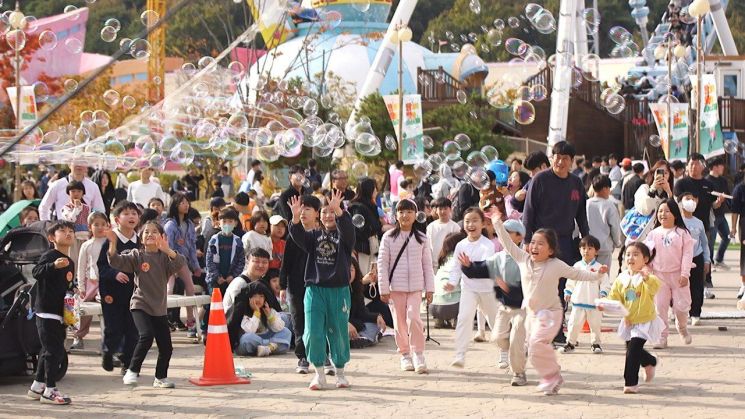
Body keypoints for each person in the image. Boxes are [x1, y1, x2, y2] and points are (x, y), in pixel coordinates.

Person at [486, 214, 607, 395]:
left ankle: (551, 377)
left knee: (535, 347)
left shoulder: (556, 264)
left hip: (550, 314)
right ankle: (536, 374)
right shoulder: (523, 259)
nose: (534, 246)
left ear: (551, 250)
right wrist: (496, 221)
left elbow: (578, 274)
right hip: (530, 314)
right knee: (528, 345)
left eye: (540, 243)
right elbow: (507, 242)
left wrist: (598, 275)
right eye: (533, 242)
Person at [522, 141, 589, 345]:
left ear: (572, 161)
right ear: (552, 158)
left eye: (565, 158)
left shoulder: (576, 183)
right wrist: (527, 240)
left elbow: (581, 214)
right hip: (541, 241)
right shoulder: (540, 179)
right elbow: (528, 211)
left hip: (565, 241)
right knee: (540, 286)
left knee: (560, 286)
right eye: (556, 157)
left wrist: (586, 239)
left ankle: (557, 330)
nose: (560, 161)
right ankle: (537, 328)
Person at [288, 189, 355, 390]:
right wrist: (294, 218)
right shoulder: (313, 236)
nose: (328, 215)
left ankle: (340, 372)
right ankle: (318, 373)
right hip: (315, 290)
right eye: (324, 212)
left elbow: (350, 233)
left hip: (339, 291)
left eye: (332, 212)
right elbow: (297, 235)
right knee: (313, 332)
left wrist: (340, 212)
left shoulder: (344, 236)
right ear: (319, 214)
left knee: (338, 332)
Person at [107, 221, 186, 388]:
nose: (150, 234)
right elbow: (116, 261)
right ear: (141, 238)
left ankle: (160, 378)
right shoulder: (137, 255)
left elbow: (180, 262)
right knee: (146, 335)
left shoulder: (165, 258)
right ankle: (132, 370)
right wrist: (113, 243)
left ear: (162, 237)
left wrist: (168, 250)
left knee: (166, 347)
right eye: (146, 232)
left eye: (154, 232)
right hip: (140, 304)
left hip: (159, 308)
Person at [461, 219, 528, 386]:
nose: (502, 236)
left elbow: (530, 285)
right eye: (501, 233)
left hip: (523, 308)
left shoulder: (526, 259)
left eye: (507, 233)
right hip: (504, 308)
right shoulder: (498, 258)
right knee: (497, 338)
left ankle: (519, 373)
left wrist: (510, 289)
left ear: (519, 237)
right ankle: (517, 351)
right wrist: (468, 266)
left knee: (516, 340)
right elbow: (481, 268)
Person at [377, 199, 434, 374]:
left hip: (416, 287)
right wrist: (383, 288)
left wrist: (430, 288)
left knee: (413, 318)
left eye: (409, 211)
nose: (405, 215)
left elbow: (427, 265)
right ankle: (405, 354)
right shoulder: (388, 237)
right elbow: (382, 264)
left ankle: (418, 353)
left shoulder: (422, 238)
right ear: (396, 215)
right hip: (395, 288)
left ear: (415, 215)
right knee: (399, 323)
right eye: (401, 212)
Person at [27, 221, 76, 405]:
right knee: (54, 351)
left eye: (71, 230)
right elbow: (36, 272)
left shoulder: (70, 262)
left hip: (60, 313)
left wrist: (74, 290)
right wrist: (53, 266)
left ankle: (37, 387)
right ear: (51, 237)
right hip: (46, 311)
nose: (68, 233)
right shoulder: (49, 256)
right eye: (62, 231)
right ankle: (50, 390)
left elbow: (67, 285)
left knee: (49, 350)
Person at [604, 242, 662, 394]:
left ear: (645, 259)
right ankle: (650, 361)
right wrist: (604, 304)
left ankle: (630, 383)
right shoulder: (621, 279)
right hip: (628, 321)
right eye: (628, 254)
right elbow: (614, 298)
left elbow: (655, 287)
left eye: (636, 254)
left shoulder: (647, 277)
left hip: (644, 320)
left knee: (633, 350)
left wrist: (646, 278)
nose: (631, 257)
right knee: (632, 349)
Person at [445, 207, 497, 367]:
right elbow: (455, 266)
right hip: (468, 288)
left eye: (475, 220)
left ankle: (505, 352)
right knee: (464, 318)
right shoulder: (461, 245)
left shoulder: (487, 245)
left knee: (495, 322)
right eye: (467, 221)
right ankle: (460, 354)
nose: (471, 224)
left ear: (483, 224)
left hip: (488, 289)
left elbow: (485, 267)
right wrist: (452, 282)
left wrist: (469, 266)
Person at [97, 201, 140, 375]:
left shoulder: (141, 240)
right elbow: (101, 266)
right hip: (112, 293)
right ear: (116, 219)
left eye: (134, 213)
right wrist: (114, 274)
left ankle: (128, 363)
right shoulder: (111, 240)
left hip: (135, 293)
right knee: (114, 328)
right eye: (126, 213)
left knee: (133, 329)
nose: (131, 216)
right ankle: (108, 351)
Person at [644, 199, 694, 349]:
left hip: (679, 276)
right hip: (659, 277)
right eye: (660, 211)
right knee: (660, 308)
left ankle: (682, 327)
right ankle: (662, 337)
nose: (662, 214)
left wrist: (685, 274)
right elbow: (647, 255)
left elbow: (687, 255)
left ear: (675, 214)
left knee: (681, 307)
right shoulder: (653, 234)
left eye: (666, 211)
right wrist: (646, 270)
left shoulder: (683, 233)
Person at [279, 195, 319, 374]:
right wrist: (282, 286)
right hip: (295, 286)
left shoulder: (321, 235)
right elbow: (285, 263)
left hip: (318, 285)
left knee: (318, 321)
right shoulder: (292, 237)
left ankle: (321, 354)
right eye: (300, 209)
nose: (303, 212)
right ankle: (302, 357)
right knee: (298, 321)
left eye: (308, 209)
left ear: (317, 213)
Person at [674, 154, 722, 299]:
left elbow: (713, 204)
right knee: (681, 258)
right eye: (691, 164)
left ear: (703, 166)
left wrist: (718, 203)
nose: (694, 166)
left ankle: (705, 284)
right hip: (683, 226)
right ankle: (681, 287)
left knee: (704, 257)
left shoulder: (708, 185)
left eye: (697, 164)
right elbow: (677, 201)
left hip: (703, 226)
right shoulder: (681, 184)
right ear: (687, 166)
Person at [560, 236, 611, 354]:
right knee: (574, 323)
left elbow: (605, 283)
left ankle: (596, 344)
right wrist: (568, 292)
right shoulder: (577, 266)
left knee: (595, 324)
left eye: (590, 248)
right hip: (578, 301)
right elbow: (571, 281)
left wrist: (603, 293)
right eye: (583, 248)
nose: (586, 251)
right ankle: (570, 343)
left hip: (594, 302)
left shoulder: (599, 268)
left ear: (596, 251)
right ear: (579, 250)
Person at [163, 193, 201, 337]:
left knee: (190, 287)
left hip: (182, 261)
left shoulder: (189, 224)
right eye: (182, 202)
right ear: (175, 205)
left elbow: (192, 247)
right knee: (169, 288)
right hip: (169, 262)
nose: (186, 205)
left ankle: (190, 319)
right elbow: (168, 248)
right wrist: (172, 266)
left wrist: (195, 266)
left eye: (187, 202)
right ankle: (163, 317)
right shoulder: (170, 225)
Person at [71, 212, 109, 351]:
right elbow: (81, 267)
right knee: (83, 312)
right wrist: (81, 286)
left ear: (108, 225)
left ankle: (108, 340)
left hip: (107, 283)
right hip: (90, 283)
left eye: (103, 224)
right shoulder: (86, 245)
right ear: (89, 227)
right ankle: (78, 336)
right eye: (96, 224)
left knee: (107, 310)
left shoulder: (111, 243)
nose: (100, 227)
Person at [229, 280, 292, 357]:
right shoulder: (243, 312)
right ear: (249, 298)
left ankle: (267, 348)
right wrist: (256, 313)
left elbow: (279, 328)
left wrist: (269, 315)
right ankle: (271, 347)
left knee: (286, 332)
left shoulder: (268, 309)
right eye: (254, 296)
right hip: (252, 340)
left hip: (266, 337)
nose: (258, 299)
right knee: (247, 339)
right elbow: (250, 331)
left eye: (261, 296)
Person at [679, 193, 709, 326]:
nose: (691, 201)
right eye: (687, 199)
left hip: (697, 257)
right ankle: (680, 312)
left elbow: (705, 243)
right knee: (680, 287)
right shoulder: (677, 221)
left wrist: (707, 260)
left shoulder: (699, 223)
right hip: (680, 259)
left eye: (693, 199)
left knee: (697, 287)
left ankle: (696, 313)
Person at [39, 161, 105, 221]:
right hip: (62, 229)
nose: (79, 165)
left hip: (85, 230)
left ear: (86, 165)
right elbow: (44, 207)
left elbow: (100, 210)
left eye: (82, 162)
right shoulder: (57, 185)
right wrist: (47, 227)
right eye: (76, 161)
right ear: (69, 164)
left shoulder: (93, 186)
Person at [205, 208, 246, 302]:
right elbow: (209, 261)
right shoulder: (214, 240)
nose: (227, 224)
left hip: (231, 280)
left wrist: (233, 276)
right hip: (215, 280)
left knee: (230, 302)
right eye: (224, 221)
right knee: (215, 303)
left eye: (230, 221)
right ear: (219, 223)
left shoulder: (238, 241)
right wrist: (217, 277)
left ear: (235, 223)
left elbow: (241, 261)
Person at [348, 177, 384, 276]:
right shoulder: (358, 207)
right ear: (370, 190)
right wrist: (377, 228)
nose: (376, 191)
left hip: (372, 246)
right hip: (363, 248)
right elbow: (359, 229)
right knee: (365, 275)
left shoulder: (369, 205)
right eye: (375, 188)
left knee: (373, 275)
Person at [223, 248, 272, 318]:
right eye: (257, 261)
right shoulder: (240, 283)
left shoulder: (262, 282)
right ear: (247, 262)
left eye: (264, 262)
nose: (261, 265)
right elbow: (237, 313)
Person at [348, 258, 386, 348]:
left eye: (351, 270)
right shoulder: (335, 291)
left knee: (375, 325)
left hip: (355, 324)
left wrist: (377, 317)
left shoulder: (356, 289)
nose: (349, 273)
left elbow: (362, 313)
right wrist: (345, 323)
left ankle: (361, 339)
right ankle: (361, 338)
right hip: (339, 325)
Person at [431, 232, 465, 328]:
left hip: (433, 307)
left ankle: (439, 320)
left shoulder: (443, 259)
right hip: (452, 307)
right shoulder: (461, 258)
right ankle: (457, 320)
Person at [586, 175, 622, 268]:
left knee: (588, 276)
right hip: (604, 247)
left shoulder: (586, 204)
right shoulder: (610, 205)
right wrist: (617, 242)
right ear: (605, 188)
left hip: (587, 247)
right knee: (603, 277)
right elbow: (615, 227)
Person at [706, 157, 731, 270]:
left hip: (722, 215)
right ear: (715, 167)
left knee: (727, 237)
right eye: (721, 165)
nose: (723, 168)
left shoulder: (723, 180)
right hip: (712, 216)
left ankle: (719, 259)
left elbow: (728, 196)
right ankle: (710, 263)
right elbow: (707, 201)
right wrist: (716, 202)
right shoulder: (707, 181)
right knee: (711, 241)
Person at [59, 180, 91, 265]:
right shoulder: (66, 208)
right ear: (68, 193)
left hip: (85, 237)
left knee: (85, 261)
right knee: (73, 261)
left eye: (79, 191)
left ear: (83, 193)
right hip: (72, 238)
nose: (76, 193)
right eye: (73, 191)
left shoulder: (87, 207)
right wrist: (76, 208)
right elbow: (70, 219)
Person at [426, 198, 462, 271]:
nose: (443, 211)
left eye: (445, 208)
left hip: (449, 265)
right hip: (433, 264)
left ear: (450, 209)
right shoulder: (431, 227)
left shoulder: (455, 227)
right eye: (440, 209)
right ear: (436, 210)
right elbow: (428, 246)